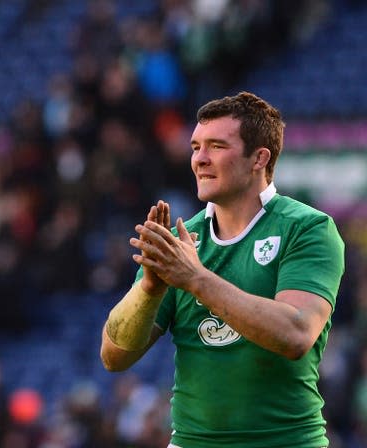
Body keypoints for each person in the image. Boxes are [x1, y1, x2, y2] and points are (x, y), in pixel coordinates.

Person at [100, 91, 345, 448]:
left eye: (216, 146)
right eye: (195, 147)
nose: (200, 159)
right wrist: (149, 289)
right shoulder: (179, 243)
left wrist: (196, 279)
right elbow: (113, 356)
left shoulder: (307, 228)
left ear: (258, 158)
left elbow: (295, 334)